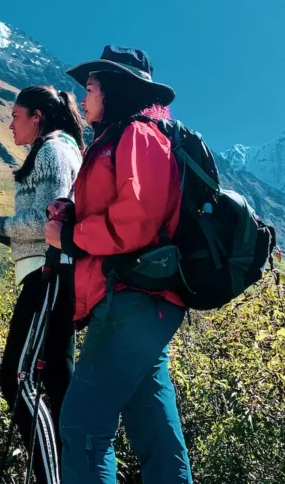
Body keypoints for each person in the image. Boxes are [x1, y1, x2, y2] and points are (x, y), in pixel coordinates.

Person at [45, 46, 193, 483]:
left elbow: (137, 221)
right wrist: (73, 214)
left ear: (114, 89)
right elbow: (124, 212)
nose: (83, 98)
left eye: (90, 88)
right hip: (141, 301)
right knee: (155, 434)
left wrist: (70, 236)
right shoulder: (119, 139)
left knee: (82, 424)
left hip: (131, 299)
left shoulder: (139, 135)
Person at [0, 86, 83, 484]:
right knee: (56, 381)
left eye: (16, 115)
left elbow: (46, 224)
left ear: (38, 116)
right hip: (58, 274)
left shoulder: (51, 150)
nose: (10, 123)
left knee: (17, 378)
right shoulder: (61, 149)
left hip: (48, 274)